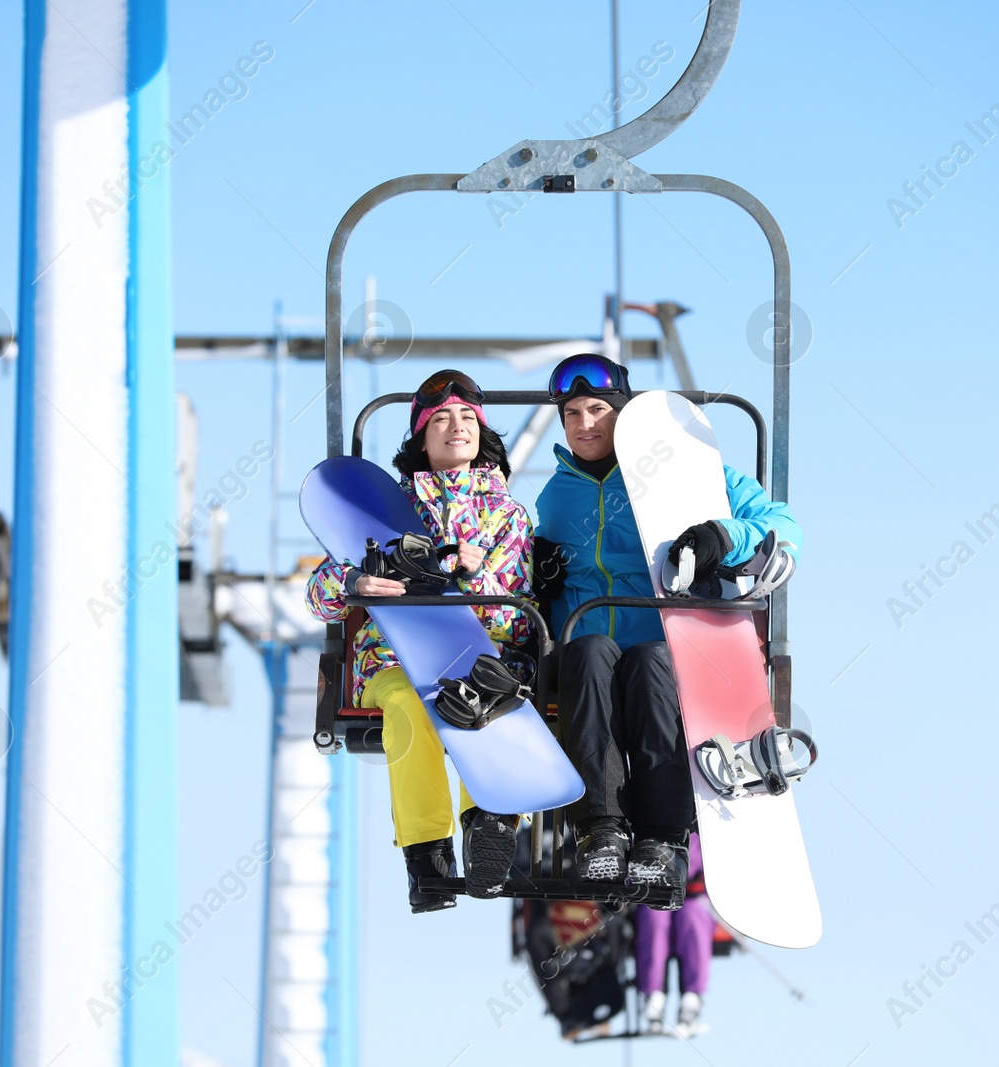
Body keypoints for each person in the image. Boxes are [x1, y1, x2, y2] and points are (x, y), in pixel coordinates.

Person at [532, 353, 802, 905]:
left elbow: (782, 526)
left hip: (667, 641)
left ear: (626, 414)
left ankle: (662, 835)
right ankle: (601, 828)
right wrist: (537, 571)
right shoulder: (556, 495)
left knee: (654, 664)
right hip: (588, 648)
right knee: (587, 652)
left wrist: (720, 537)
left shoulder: (686, 471)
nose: (585, 424)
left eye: (599, 410)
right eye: (573, 414)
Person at [307, 369, 532, 912]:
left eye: (467, 418)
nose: (457, 427)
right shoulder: (379, 512)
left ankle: (488, 827)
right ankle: (427, 856)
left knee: (479, 699)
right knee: (412, 703)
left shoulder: (506, 517)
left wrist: (471, 579)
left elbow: (516, 619)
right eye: (442, 419)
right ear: (421, 437)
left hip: (475, 656)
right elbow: (318, 595)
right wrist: (355, 583)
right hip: (395, 657)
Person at [635, 834, 714, 1035]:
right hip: (655, 892)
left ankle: (692, 997)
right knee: (654, 918)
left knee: (693, 917)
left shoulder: (703, 828)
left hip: (693, 895)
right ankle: (654, 994)